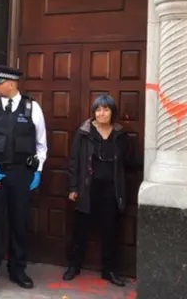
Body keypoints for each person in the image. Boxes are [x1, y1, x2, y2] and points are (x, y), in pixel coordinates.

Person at [0, 64, 48, 296]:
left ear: (11, 84)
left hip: (22, 174)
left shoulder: (32, 108)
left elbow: (42, 144)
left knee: (20, 222)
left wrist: (38, 170)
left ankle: (18, 270)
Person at [63, 94, 140, 287]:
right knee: (81, 230)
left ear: (113, 112)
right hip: (87, 188)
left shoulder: (121, 135)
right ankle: (74, 265)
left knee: (110, 232)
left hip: (112, 190)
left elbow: (130, 160)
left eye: (105, 109)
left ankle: (109, 270)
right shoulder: (84, 133)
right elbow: (74, 162)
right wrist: (73, 187)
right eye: (98, 109)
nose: (101, 113)